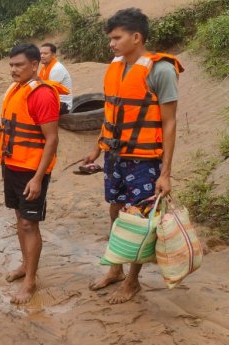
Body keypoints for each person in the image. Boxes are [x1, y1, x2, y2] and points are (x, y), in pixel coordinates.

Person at [82, 8, 183, 304]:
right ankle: (115, 267)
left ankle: (132, 280)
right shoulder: (114, 67)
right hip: (115, 156)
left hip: (145, 159)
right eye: (110, 38)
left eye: (116, 37)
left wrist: (165, 173)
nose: (111, 44)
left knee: (138, 219)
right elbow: (113, 112)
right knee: (115, 211)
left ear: (136, 37)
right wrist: (97, 147)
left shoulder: (160, 70)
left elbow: (170, 123)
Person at [0, 44, 67, 304]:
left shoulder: (42, 94)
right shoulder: (15, 89)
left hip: (32, 171)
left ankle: (30, 281)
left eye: (19, 65)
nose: (13, 69)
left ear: (35, 65)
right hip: (11, 165)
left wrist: (37, 178)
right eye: (11, 65)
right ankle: (24, 265)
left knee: (30, 224)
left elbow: (51, 140)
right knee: (20, 219)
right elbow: (10, 122)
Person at [39, 43, 73, 114]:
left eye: (45, 53)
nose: (42, 56)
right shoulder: (44, 68)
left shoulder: (57, 68)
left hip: (62, 104)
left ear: (53, 55)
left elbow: (47, 90)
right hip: (53, 101)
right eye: (41, 53)